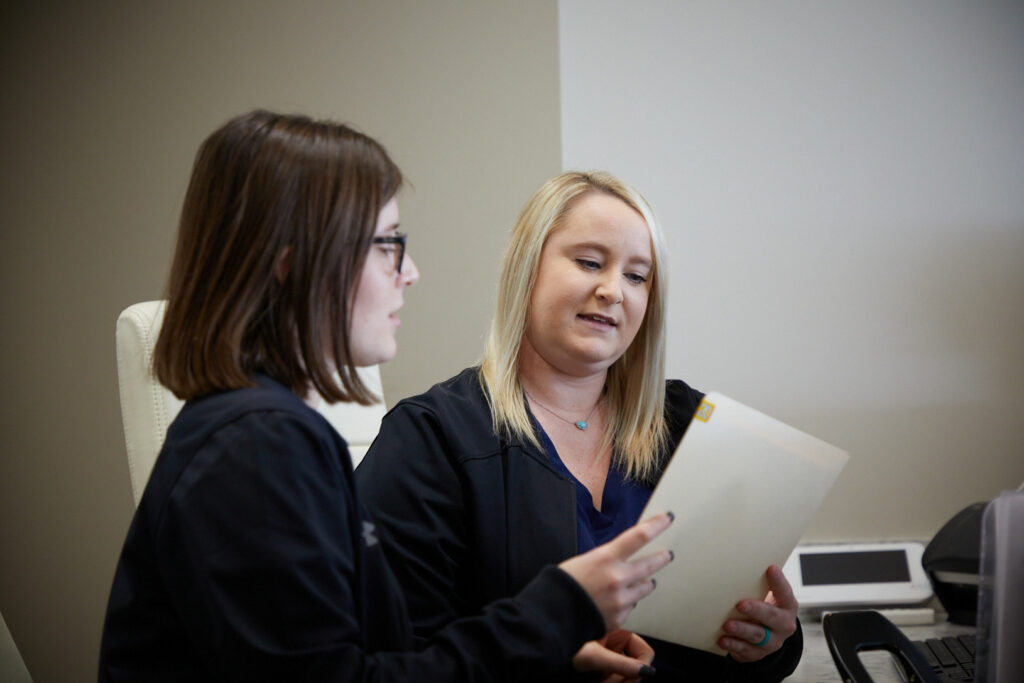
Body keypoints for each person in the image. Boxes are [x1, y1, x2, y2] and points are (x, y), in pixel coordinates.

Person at [98, 113, 677, 682]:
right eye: (387, 244)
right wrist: (560, 609)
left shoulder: (273, 431)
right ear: (293, 263)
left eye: (638, 276)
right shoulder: (256, 446)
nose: (411, 272)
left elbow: (380, 662)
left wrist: (558, 655)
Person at [356, 171, 804, 681]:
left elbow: (747, 631)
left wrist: (769, 644)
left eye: (637, 276)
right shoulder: (429, 440)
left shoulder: (693, 427)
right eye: (590, 262)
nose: (613, 290)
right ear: (527, 270)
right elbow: (396, 659)